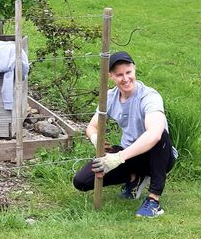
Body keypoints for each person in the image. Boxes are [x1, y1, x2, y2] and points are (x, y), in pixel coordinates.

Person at [73, 51, 177, 218]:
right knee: (81, 181)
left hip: (157, 156)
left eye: (128, 72)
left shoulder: (149, 96)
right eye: (119, 74)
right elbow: (92, 126)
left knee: (160, 135)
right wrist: (95, 139)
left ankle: (153, 200)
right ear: (111, 76)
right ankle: (133, 178)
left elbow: (154, 134)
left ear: (134, 69)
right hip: (129, 154)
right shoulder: (110, 97)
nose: (125, 78)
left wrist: (118, 158)